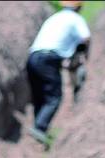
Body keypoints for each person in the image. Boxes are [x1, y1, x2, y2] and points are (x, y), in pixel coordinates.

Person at [26, 0, 91, 145]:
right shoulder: (75, 19)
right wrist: (86, 55)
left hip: (32, 57)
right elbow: (86, 37)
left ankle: (38, 130)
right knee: (54, 97)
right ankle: (40, 128)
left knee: (40, 96)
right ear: (79, 7)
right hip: (49, 58)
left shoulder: (54, 18)